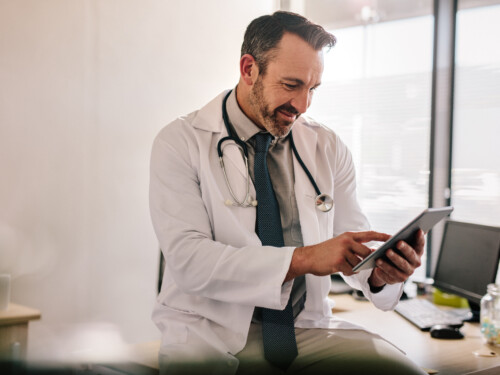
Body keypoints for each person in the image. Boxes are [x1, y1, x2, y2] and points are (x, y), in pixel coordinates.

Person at [150, 11, 426, 375]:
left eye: (313, 89)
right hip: (208, 333)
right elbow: (189, 261)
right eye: (291, 84)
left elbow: (353, 242)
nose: (303, 105)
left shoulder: (326, 146)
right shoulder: (181, 142)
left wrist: (379, 273)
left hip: (303, 331)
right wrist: (305, 259)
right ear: (249, 69)